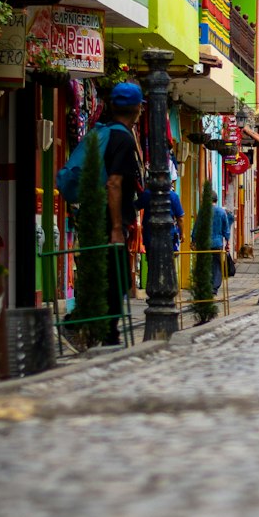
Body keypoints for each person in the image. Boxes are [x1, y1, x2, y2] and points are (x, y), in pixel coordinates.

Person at [103, 82, 145, 342]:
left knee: (110, 276)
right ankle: (108, 334)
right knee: (117, 279)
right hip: (110, 223)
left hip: (96, 216)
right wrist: (116, 228)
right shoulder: (123, 138)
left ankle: (107, 331)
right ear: (138, 109)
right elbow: (114, 182)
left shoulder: (104, 132)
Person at [193, 190, 232, 296]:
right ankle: (214, 288)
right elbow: (226, 229)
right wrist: (227, 242)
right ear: (216, 200)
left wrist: (193, 241)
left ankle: (205, 286)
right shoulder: (221, 212)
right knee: (216, 266)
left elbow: (197, 227)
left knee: (205, 265)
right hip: (217, 243)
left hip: (205, 244)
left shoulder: (203, 211)